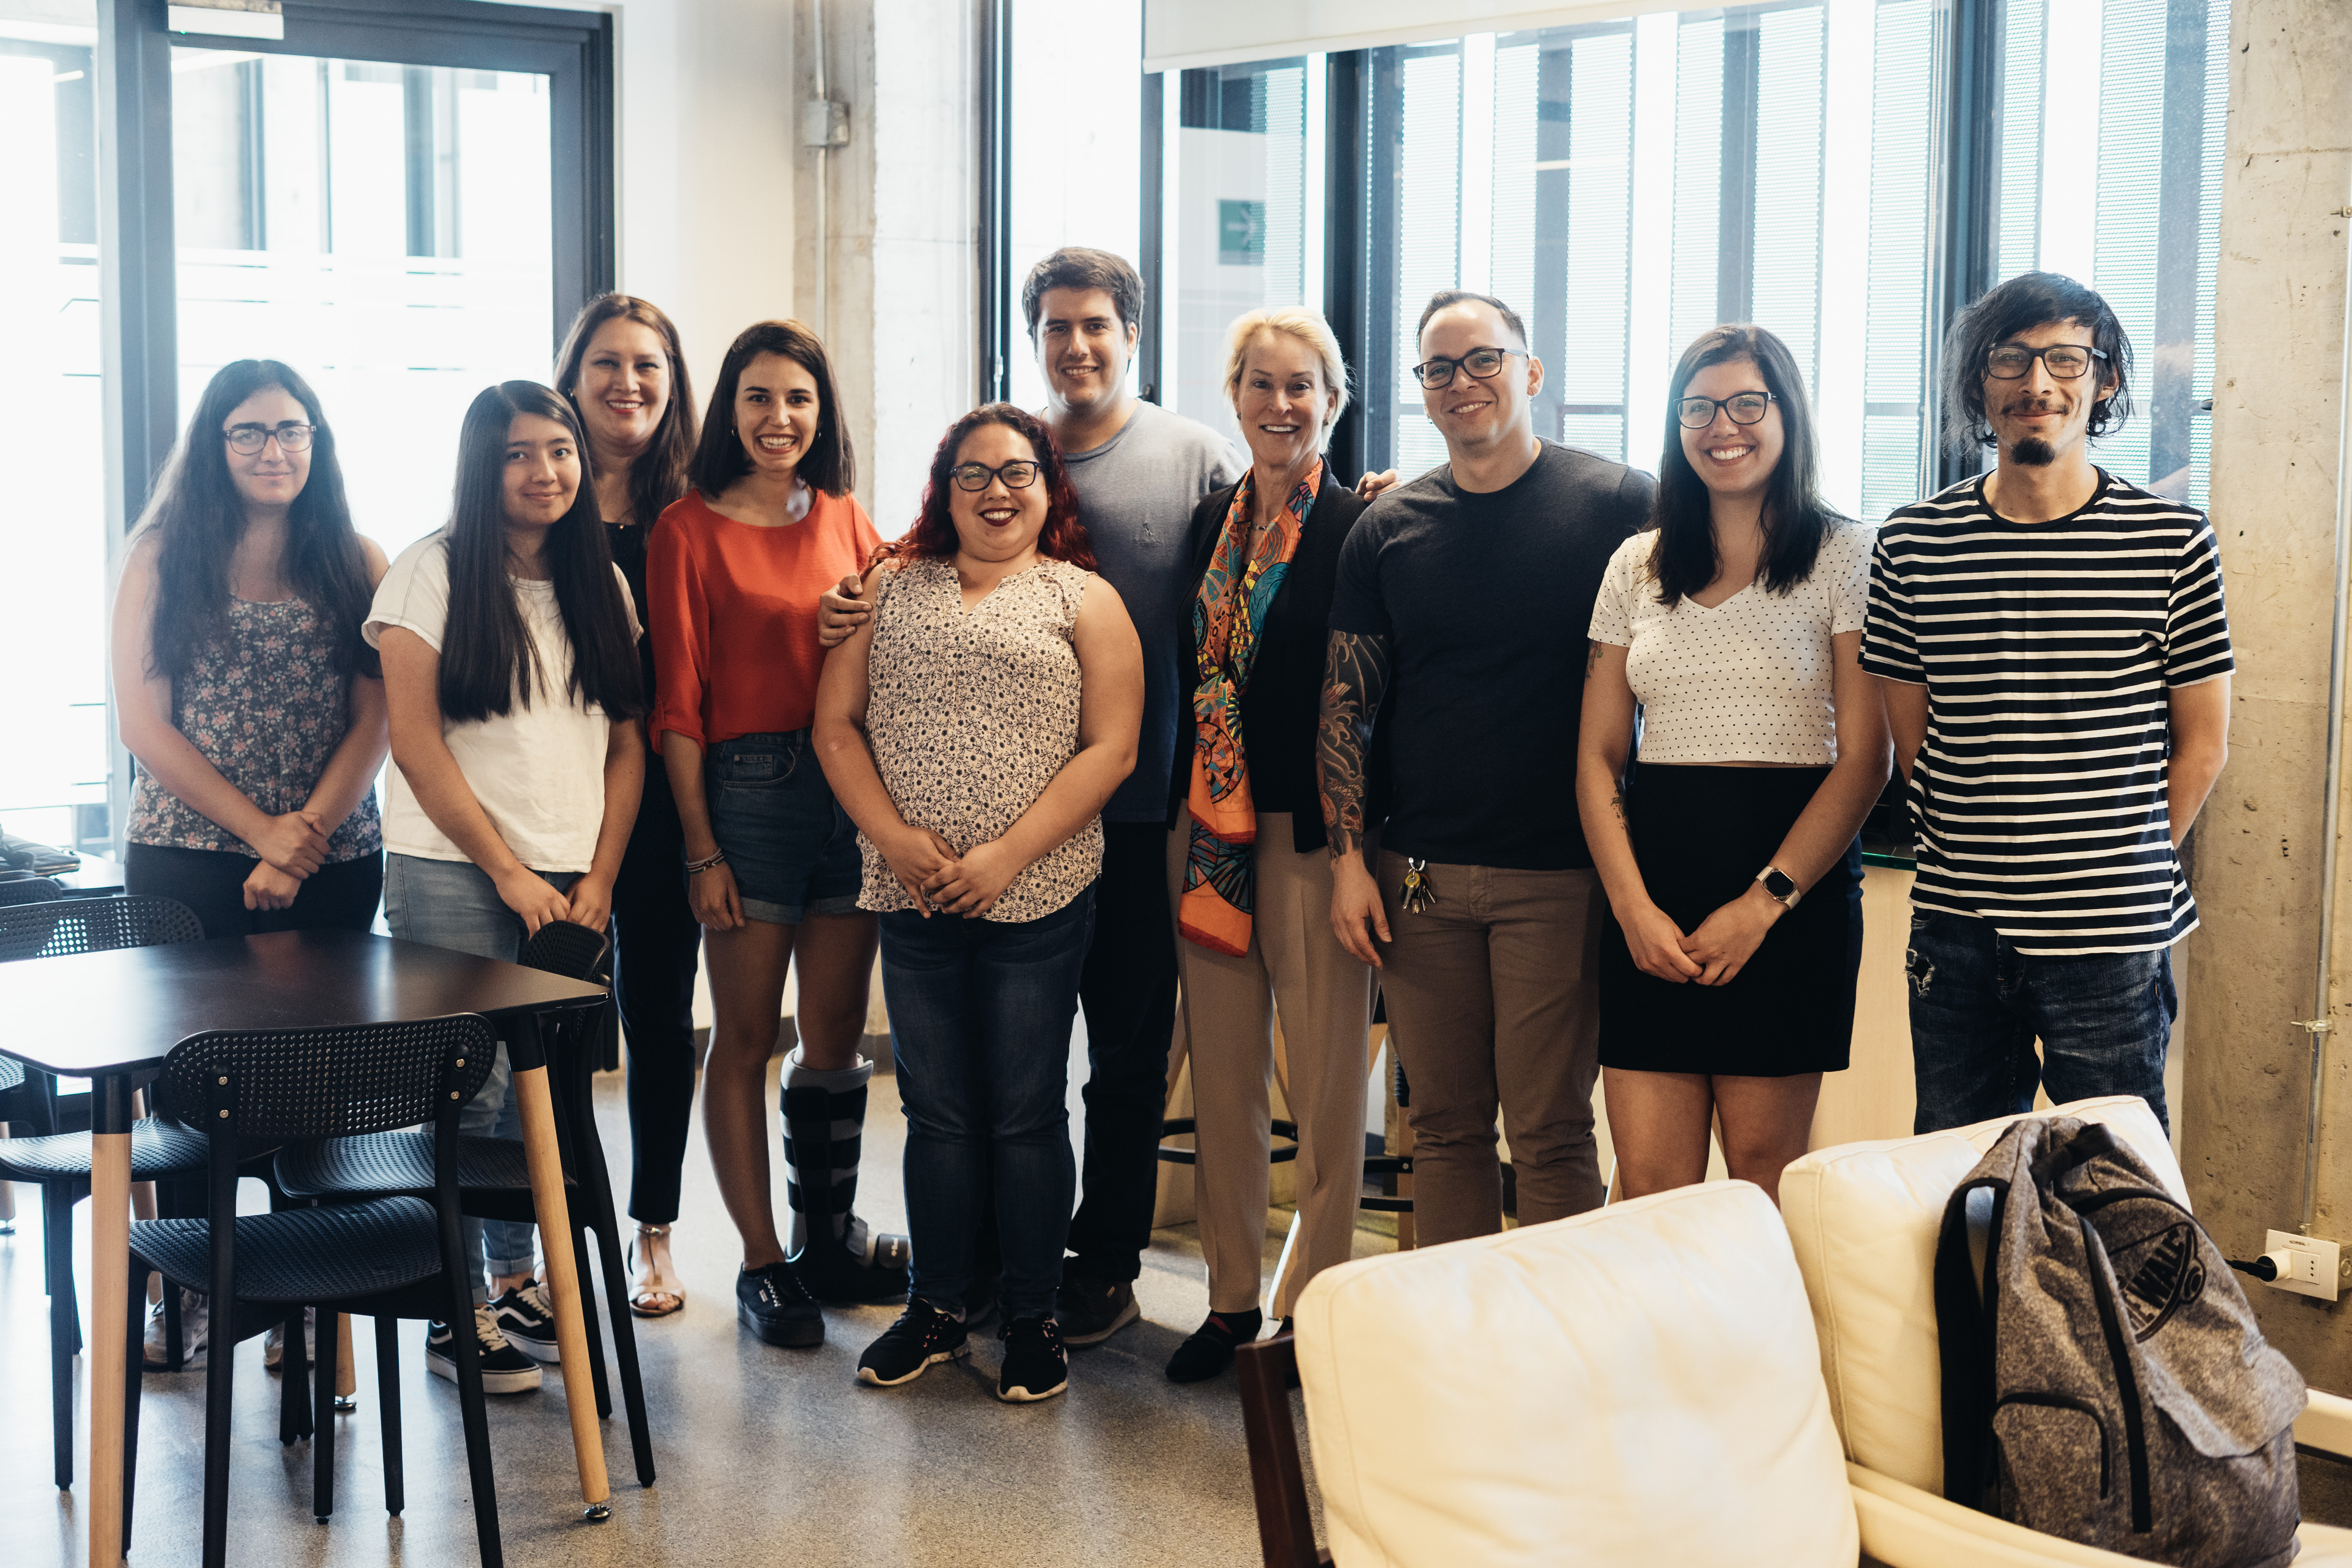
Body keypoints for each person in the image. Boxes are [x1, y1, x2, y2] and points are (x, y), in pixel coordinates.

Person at [815, 402, 1143, 1404]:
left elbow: (1112, 748)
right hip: (912, 894)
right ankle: (939, 1305)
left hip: (1037, 892)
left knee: (1025, 1111)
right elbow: (835, 727)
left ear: (1050, 488)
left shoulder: (1084, 598)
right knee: (937, 1112)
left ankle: (1035, 1312)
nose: (997, 491)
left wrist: (1004, 856)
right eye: (973, 474)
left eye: (1017, 472)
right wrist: (898, 840)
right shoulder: (884, 587)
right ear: (942, 487)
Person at [1862, 271, 2231, 1134]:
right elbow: (1914, 739)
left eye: (2066, 358)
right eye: (2012, 359)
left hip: (2110, 934)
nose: (2038, 384)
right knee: (1959, 1176)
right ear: (1977, 381)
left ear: (2103, 379)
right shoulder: (1915, 541)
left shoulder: (2173, 539)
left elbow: (2203, 745)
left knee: (2119, 1189)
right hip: (1959, 927)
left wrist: (2115, 865)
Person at [1320, 289, 1652, 1248]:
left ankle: (1556, 1360)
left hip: (1560, 873)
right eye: (1439, 368)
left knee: (1548, 1130)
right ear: (1421, 389)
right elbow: (1346, 704)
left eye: (1483, 360)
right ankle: (1457, 1357)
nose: (1462, 383)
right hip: (1418, 875)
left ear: (1530, 371)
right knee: (1446, 1129)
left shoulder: (1621, 505)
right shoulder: (1388, 529)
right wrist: (1350, 860)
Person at [367, 380, 648, 1394]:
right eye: (520, 455)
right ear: (483, 471)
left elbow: (627, 741)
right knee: (472, 1090)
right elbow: (416, 744)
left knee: (551, 1091)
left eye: (560, 450)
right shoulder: (426, 574)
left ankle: (521, 1280)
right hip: (457, 872)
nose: (546, 472)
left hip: (575, 874)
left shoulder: (601, 582)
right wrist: (510, 872)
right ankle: (460, 1308)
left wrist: (601, 874)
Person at [111, 358, 391, 1368]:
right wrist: (258, 831)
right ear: (214, 446)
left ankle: (309, 1297)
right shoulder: (161, 555)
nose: (274, 450)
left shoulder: (356, 556)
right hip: (188, 856)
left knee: (312, 1084)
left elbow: (379, 713)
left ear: (316, 444)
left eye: (292, 431)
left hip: (334, 855)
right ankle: (189, 1293)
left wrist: (304, 830)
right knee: (191, 1085)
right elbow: (145, 722)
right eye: (250, 432)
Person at [1576, 325, 1890, 1204]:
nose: (1725, 425)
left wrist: (1764, 904)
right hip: (1655, 896)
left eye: (1750, 403)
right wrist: (1632, 907)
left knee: (1761, 1175)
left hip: (1792, 898)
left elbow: (1867, 758)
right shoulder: (1636, 565)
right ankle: (1658, 1351)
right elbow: (1598, 758)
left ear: (1788, 415)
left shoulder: (1847, 553)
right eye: (1700, 406)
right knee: (1648, 1185)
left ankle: (1761, 1351)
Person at [648, 319, 906, 1351]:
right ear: (730, 408)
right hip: (745, 789)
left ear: (821, 411)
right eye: (758, 397)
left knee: (835, 1035)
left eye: (797, 399)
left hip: (851, 788)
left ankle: (825, 1237)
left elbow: (911, 609)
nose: (778, 417)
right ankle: (762, 1261)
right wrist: (701, 847)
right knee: (747, 1036)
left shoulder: (846, 515)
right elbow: (676, 706)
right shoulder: (687, 527)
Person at [1160, 309, 1376, 1382]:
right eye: (1260, 383)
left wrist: (1359, 851)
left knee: (1328, 1087)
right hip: (1210, 836)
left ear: (1333, 400)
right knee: (1227, 1081)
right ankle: (1230, 1301)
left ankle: (1313, 1311)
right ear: (1234, 396)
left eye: (1304, 385)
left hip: (1315, 839)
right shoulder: (1211, 523)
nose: (1280, 404)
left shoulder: (1364, 525)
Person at [554, 293, 703, 1318]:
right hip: (554, 797)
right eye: (606, 363)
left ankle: (655, 1231)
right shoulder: (534, 503)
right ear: (571, 379)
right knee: (556, 1023)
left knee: (657, 1015)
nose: (627, 383)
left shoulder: (695, 511)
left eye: (647, 365)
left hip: (665, 795)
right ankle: (551, 1234)